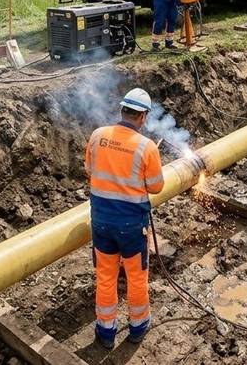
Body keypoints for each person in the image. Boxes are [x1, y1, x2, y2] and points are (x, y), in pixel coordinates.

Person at [86, 88, 165, 348]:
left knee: (105, 276)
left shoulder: (98, 136)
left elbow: (90, 170)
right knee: (136, 278)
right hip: (131, 227)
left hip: (101, 223)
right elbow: (156, 187)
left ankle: (106, 330)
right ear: (142, 117)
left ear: (122, 111)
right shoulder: (147, 147)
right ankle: (138, 326)